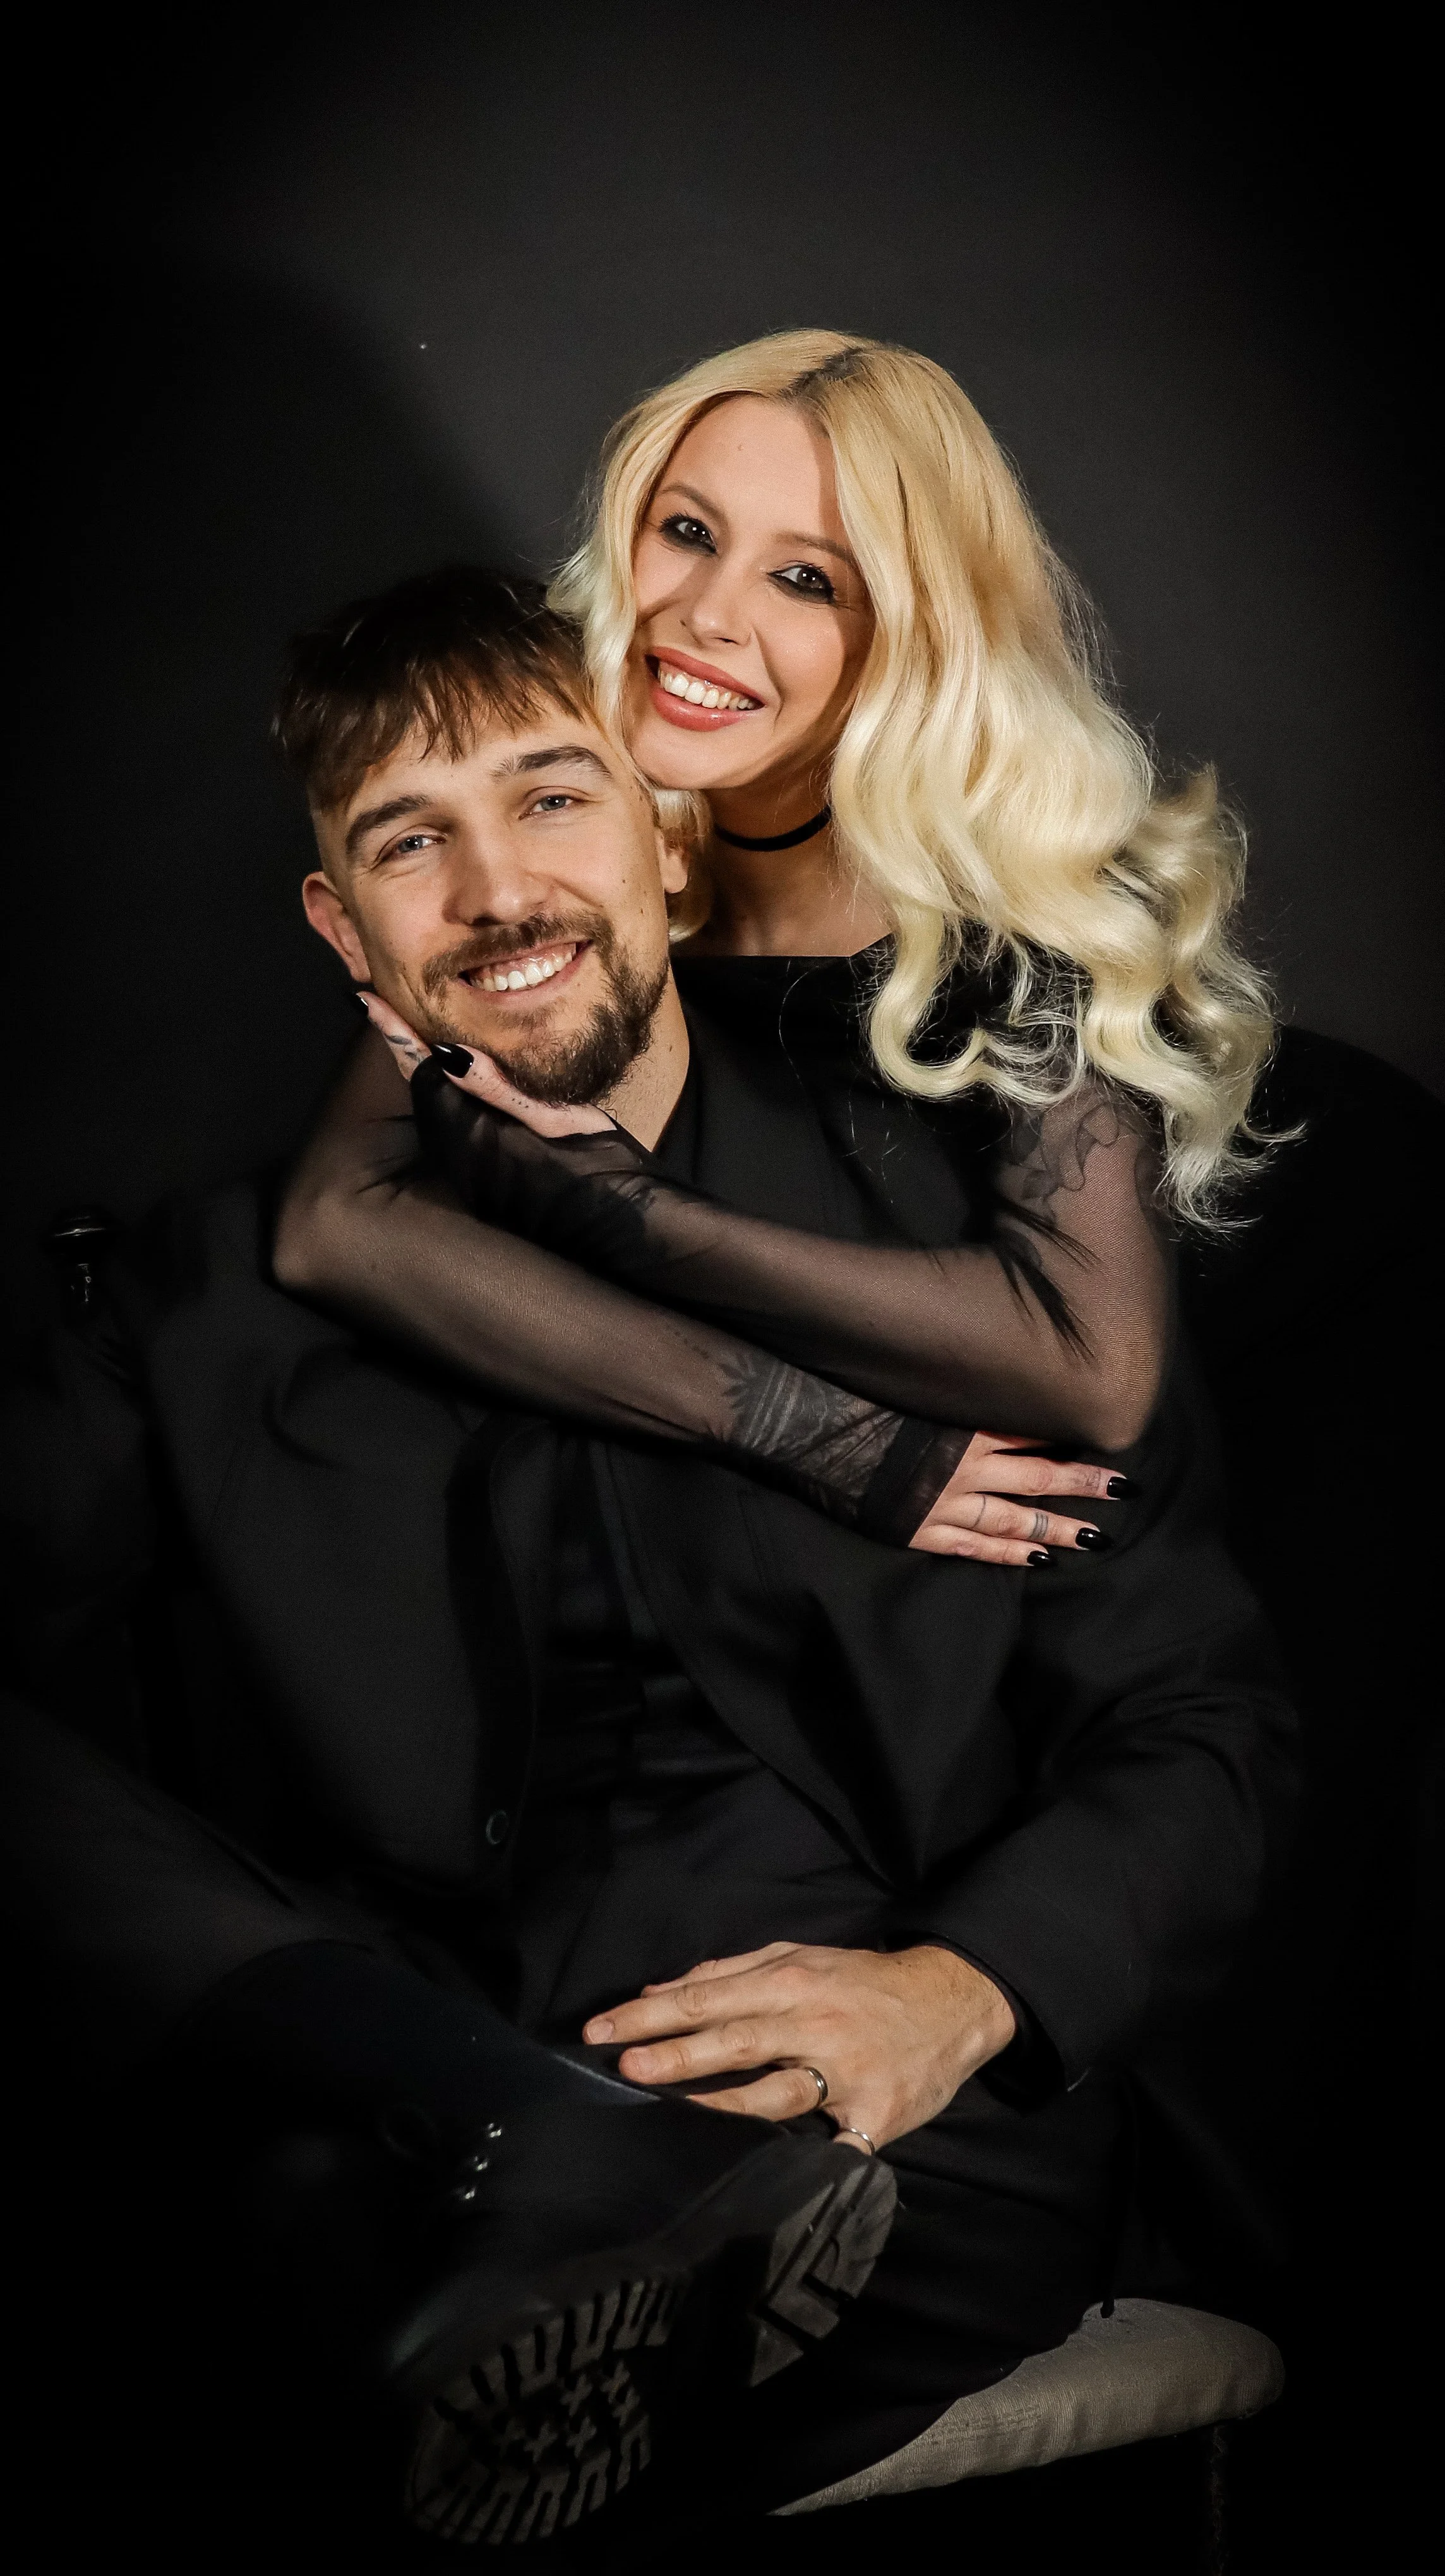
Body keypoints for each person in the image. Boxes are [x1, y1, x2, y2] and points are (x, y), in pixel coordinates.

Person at [1, 579, 1293, 2552]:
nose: (498, 889)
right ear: (342, 927)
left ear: (670, 844)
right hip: (395, 2080)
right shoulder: (195, 1299)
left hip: (860, 2107)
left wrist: (957, 1990)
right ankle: (498, 2175)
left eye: (551, 799)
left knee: (384, 2409)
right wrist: (377, 2053)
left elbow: (1202, 1725)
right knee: (332, 2312)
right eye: (409, 840)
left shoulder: (957, 1257)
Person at [283, 332, 1277, 1540]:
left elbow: (1094, 1364)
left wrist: (628, 1211)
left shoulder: (1020, 904)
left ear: (908, 635)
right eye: (688, 533)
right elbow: (334, 1218)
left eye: (806, 580)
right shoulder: (574, 807)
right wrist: (812, 1433)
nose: (705, 617)